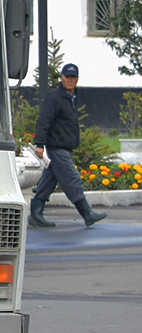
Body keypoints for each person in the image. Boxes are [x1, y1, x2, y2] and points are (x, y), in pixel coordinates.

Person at [29, 62, 107, 227]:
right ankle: (87, 214)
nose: (70, 80)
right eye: (67, 77)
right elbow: (44, 121)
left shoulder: (72, 97)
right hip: (57, 147)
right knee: (73, 179)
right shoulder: (54, 98)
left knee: (49, 180)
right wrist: (39, 144)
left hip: (64, 146)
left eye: (73, 77)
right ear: (62, 78)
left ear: (77, 79)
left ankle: (36, 214)